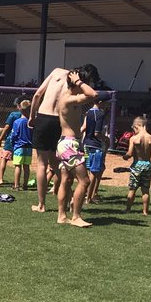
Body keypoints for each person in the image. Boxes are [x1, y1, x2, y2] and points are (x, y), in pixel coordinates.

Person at [28, 65, 99, 213]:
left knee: (42, 164)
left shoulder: (57, 72)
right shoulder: (74, 85)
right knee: (58, 164)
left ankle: (41, 204)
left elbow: (37, 94)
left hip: (44, 116)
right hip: (61, 122)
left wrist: (31, 117)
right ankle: (70, 195)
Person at [55, 69, 99, 227]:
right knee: (84, 181)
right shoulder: (69, 99)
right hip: (69, 144)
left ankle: (61, 216)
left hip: (66, 142)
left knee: (66, 180)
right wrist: (78, 81)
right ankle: (76, 217)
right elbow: (93, 95)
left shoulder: (67, 98)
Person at [124, 117, 151, 216]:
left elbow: (129, 153)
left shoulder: (134, 138)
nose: (133, 131)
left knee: (132, 189)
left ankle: (128, 209)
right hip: (147, 164)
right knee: (145, 190)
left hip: (137, 165)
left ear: (137, 126)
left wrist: (125, 157)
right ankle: (145, 211)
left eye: (134, 128)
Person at [82, 96, 109, 203]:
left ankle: (88, 194)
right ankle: (89, 197)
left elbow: (83, 128)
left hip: (86, 144)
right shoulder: (100, 114)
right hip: (96, 146)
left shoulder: (88, 112)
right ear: (101, 102)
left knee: (89, 170)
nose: (107, 105)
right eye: (106, 102)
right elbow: (97, 133)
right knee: (94, 172)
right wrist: (106, 139)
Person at [0, 98, 23, 187]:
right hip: (22, 141)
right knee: (19, 163)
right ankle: (19, 183)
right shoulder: (29, 115)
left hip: (11, 139)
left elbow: (7, 127)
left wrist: (0, 139)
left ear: (18, 105)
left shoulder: (13, 114)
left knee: (4, 158)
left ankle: (0, 179)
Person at [8, 99, 33, 191]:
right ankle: (25, 185)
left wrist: (12, 143)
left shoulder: (17, 122)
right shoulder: (31, 122)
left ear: (20, 109)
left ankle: (16, 185)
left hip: (19, 146)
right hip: (29, 147)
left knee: (18, 166)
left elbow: (14, 134)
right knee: (26, 167)